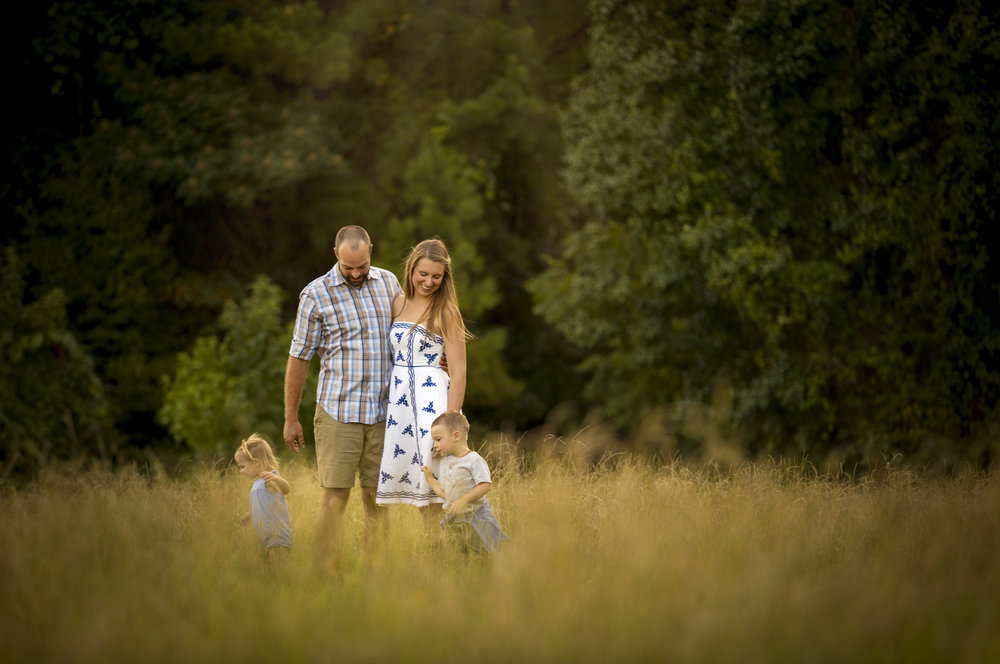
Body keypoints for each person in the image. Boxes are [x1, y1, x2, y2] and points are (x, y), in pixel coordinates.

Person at [284, 225, 402, 560]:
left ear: (371, 252)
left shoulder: (389, 283)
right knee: (335, 498)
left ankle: (376, 572)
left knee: (377, 499)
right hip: (338, 412)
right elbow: (299, 357)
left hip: (383, 414)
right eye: (348, 267)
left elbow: (406, 336)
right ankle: (322, 571)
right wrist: (290, 417)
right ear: (336, 254)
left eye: (361, 266)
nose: (355, 273)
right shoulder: (315, 295)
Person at [376, 238, 468, 526]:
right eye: (423, 274)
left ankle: (449, 548)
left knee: (437, 480)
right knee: (417, 482)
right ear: (411, 269)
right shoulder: (397, 304)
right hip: (400, 403)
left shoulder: (447, 311)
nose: (429, 282)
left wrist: (450, 423)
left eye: (436, 276)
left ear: (445, 277)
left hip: (433, 400)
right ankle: (434, 552)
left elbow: (460, 371)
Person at [420, 410, 508, 554]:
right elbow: (446, 495)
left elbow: (486, 485)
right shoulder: (447, 462)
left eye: (438, 439)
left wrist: (463, 500)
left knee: (490, 551)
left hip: (477, 518)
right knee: (459, 556)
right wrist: (430, 479)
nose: (434, 445)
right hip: (455, 521)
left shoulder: (474, 460)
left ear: (456, 436)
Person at [235, 434, 293, 565]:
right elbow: (265, 504)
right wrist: (251, 513)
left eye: (242, 466)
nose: (241, 471)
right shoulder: (258, 482)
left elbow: (286, 489)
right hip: (264, 538)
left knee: (279, 572)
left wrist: (276, 479)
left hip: (276, 538)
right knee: (265, 572)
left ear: (256, 462)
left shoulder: (269, 478)